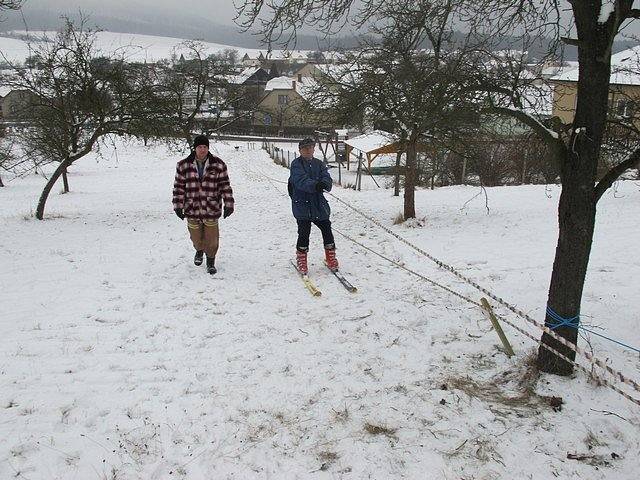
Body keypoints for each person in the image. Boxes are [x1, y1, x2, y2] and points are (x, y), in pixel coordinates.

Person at [172, 135, 234, 274]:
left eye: (205, 147)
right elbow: (178, 187)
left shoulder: (218, 164)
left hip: (211, 207)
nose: (202, 150)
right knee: (196, 237)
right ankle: (199, 250)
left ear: (208, 148)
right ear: (195, 148)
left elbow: (225, 185)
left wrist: (229, 203)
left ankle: (211, 260)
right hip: (192, 208)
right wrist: (178, 206)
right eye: (200, 147)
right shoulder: (183, 165)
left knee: (212, 239)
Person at [288, 137, 339, 274]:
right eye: (305, 148)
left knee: (327, 229)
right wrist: (315, 185)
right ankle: (301, 258)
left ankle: (330, 256)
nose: (308, 150)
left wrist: (325, 184)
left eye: (310, 147)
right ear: (300, 150)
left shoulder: (319, 163)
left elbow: (326, 177)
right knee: (304, 232)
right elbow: (300, 180)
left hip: (318, 204)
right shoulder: (296, 164)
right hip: (302, 204)